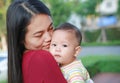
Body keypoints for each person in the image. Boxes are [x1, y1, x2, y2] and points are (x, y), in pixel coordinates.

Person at [6, 0, 67, 83]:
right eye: (39, 35)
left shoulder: (24, 63)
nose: (49, 37)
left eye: (51, 28)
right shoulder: (40, 57)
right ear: (21, 39)